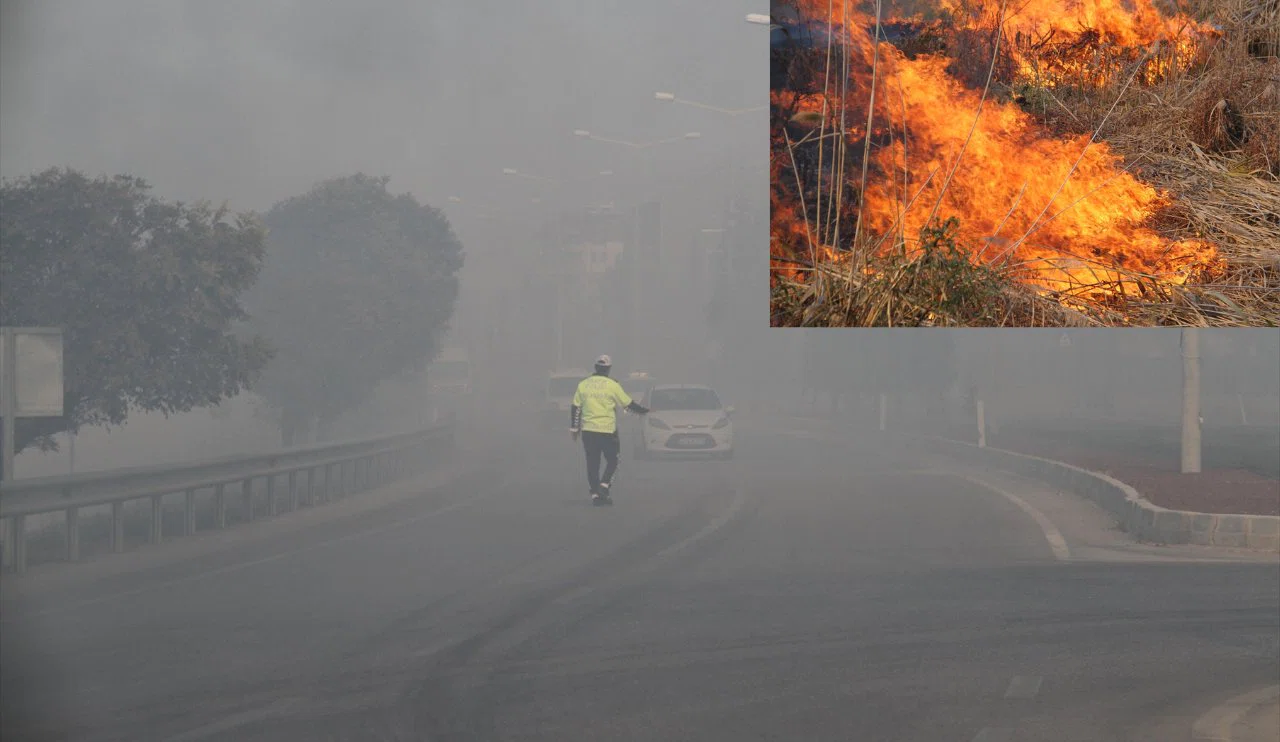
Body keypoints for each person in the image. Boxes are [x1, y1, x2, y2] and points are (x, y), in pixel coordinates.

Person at [570, 354, 649, 503]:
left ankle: (595, 494)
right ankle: (604, 486)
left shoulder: (583, 384)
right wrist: (644, 411)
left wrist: (574, 429)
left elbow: (576, 407)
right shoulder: (613, 385)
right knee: (613, 460)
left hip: (589, 430)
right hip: (607, 431)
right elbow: (628, 404)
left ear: (595, 367)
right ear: (608, 369)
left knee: (592, 463)